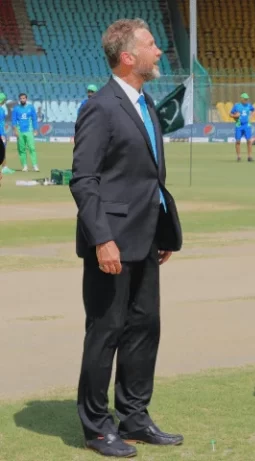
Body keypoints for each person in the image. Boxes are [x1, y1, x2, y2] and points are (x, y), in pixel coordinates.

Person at [69, 18, 183, 458]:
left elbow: (148, 175)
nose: (160, 52)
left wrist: (162, 229)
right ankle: (97, 427)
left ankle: (134, 417)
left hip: (146, 239)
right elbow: (84, 179)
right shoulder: (101, 106)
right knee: (105, 332)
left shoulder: (145, 102)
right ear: (128, 56)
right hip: (111, 244)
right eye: (152, 45)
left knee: (143, 328)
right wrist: (103, 239)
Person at [11, 92, 39, 172]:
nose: (22, 100)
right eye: (21, 98)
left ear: (26, 99)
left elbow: (34, 119)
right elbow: (14, 120)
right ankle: (25, 166)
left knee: (32, 148)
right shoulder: (16, 108)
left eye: (24, 98)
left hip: (29, 130)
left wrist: (35, 129)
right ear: (19, 99)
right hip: (20, 131)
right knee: (21, 149)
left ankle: (35, 165)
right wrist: (15, 130)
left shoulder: (31, 107)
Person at [230, 93, 255, 162]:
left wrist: (251, 116)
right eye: (245, 99)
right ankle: (238, 156)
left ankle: (249, 157)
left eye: (247, 99)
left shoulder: (249, 105)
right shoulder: (237, 106)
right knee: (238, 141)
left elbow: (254, 110)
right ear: (241, 99)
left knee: (249, 141)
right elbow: (230, 114)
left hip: (247, 125)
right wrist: (235, 116)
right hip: (239, 125)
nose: (246, 100)